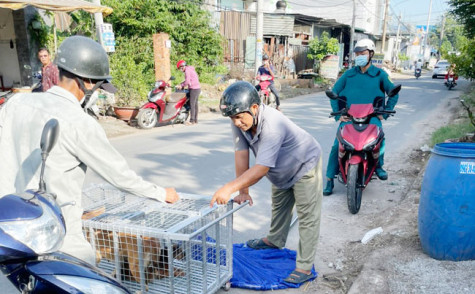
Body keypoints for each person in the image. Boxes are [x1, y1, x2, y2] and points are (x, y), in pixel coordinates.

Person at [0, 36, 179, 265]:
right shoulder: (78, 122)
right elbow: (119, 175)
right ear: (84, 81)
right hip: (55, 234)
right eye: (98, 85)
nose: (97, 92)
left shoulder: (15, 104)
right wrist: (161, 193)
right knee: (87, 269)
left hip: (10, 232)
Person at [211, 81, 323, 284]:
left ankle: (304, 267)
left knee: (307, 217)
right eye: (232, 118)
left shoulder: (272, 123)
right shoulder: (240, 120)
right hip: (280, 170)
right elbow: (241, 155)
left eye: (238, 117)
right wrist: (242, 190)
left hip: (305, 165)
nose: (236, 122)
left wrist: (229, 188)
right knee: (280, 208)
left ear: (254, 108)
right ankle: (274, 240)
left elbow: (261, 168)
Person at [323, 39, 399, 196]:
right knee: (337, 146)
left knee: (379, 139)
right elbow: (334, 93)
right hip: (350, 117)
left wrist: (385, 112)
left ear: (370, 54)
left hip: (371, 116)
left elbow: (393, 92)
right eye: (357, 54)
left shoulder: (380, 74)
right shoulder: (348, 74)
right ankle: (330, 179)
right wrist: (338, 115)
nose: (359, 57)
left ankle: (378, 166)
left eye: (362, 53)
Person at [176, 60, 201, 125]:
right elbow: (189, 80)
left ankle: (192, 120)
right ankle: (195, 120)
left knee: (192, 104)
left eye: (180, 68)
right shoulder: (190, 69)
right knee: (195, 105)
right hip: (197, 88)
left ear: (182, 66)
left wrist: (181, 85)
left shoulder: (187, 71)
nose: (180, 70)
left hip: (194, 89)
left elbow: (187, 82)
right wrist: (182, 84)